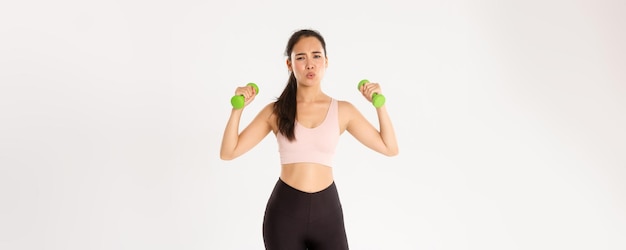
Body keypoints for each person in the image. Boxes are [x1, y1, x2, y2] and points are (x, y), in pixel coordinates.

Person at [220, 29, 399, 250]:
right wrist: (237, 110)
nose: (310, 64)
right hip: (284, 215)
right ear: (289, 65)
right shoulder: (276, 111)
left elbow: (390, 147)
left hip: (328, 214)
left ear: (326, 61)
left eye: (316, 56)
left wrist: (379, 105)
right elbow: (228, 152)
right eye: (300, 58)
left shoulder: (343, 110)